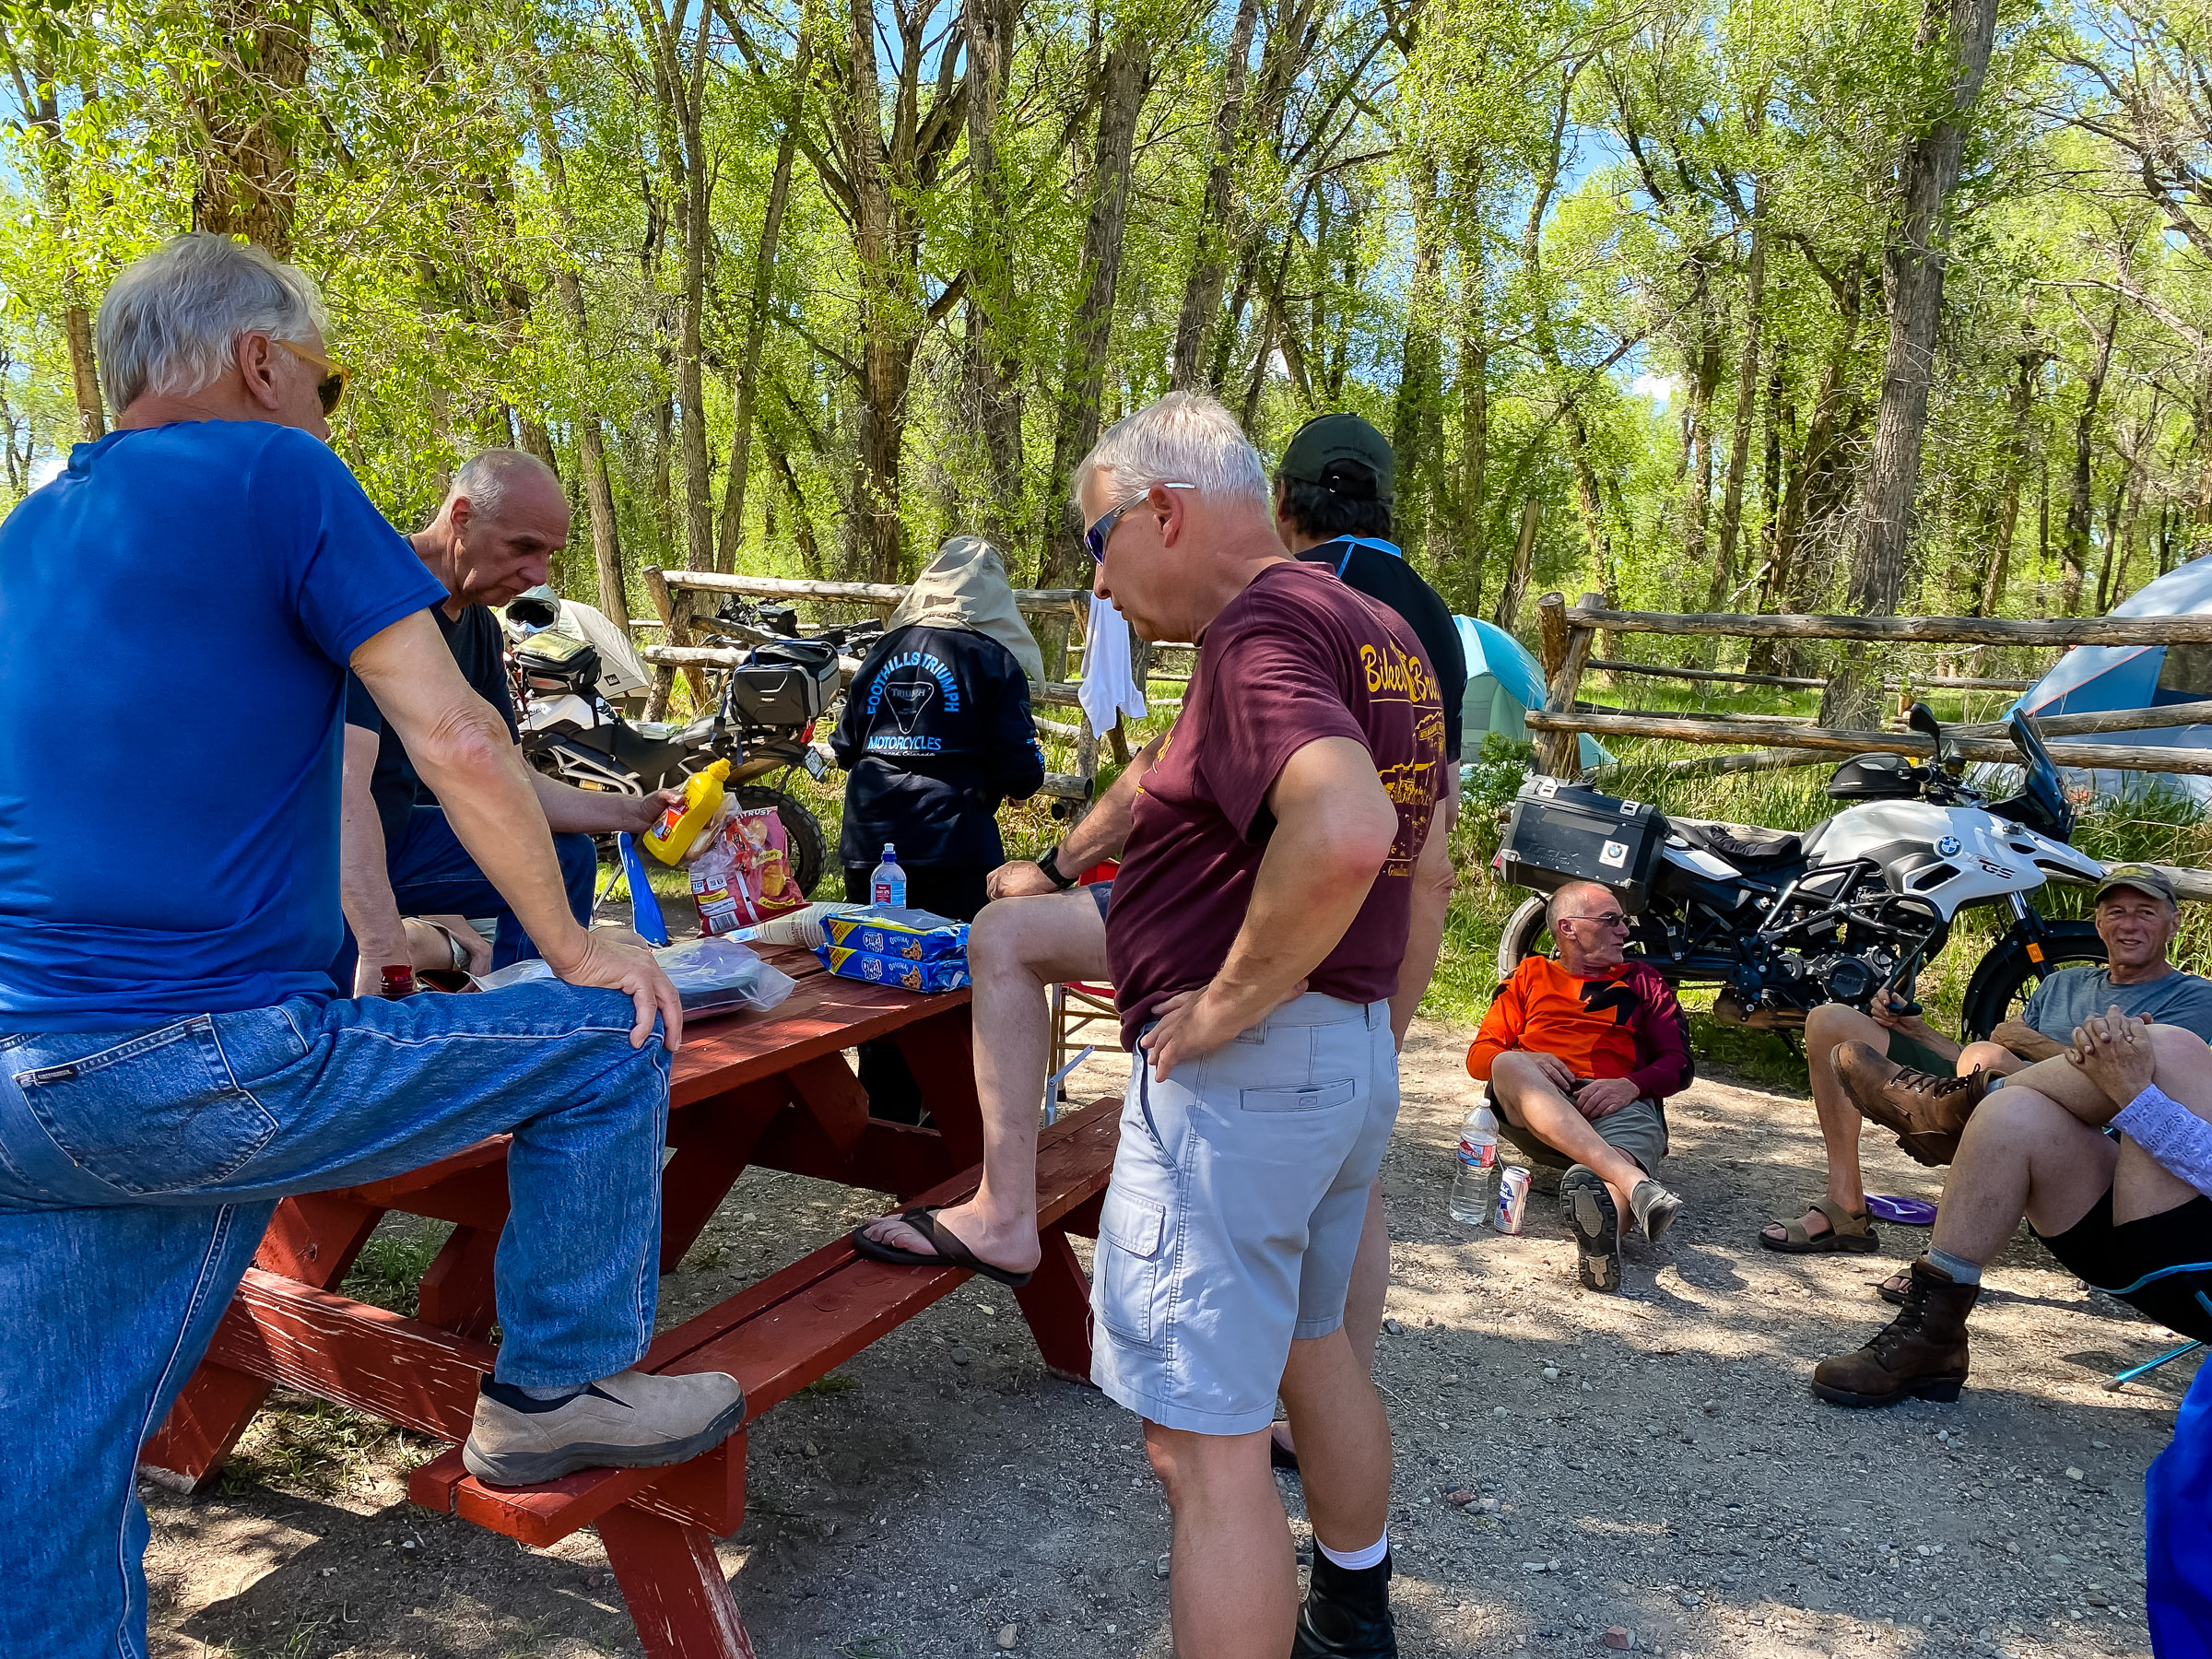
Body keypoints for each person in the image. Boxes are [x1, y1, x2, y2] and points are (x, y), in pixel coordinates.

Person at [0, 233, 737, 1659]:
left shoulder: (28, 534)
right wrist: (580, 946)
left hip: (26, 1082)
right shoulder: (277, 471)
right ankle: (554, 1394)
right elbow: (452, 739)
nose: (327, 411)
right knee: (605, 1035)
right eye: (324, 379)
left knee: (42, 1485)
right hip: (194, 1063)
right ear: (261, 361)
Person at [852, 412, 1465, 1484]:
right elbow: (1421, 841)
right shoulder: (1393, 625)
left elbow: (1350, 828)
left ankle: (1004, 1211)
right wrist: (1053, 872)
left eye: (1099, 544)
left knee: (1199, 1449)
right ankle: (1356, 1608)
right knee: (1318, 1354)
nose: (1097, 587)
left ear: (1165, 513)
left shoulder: (1261, 631)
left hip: (1256, 1042)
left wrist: (1227, 1002)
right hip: (1349, 1025)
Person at [336, 450, 680, 994]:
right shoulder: (372, 589)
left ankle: (523, 1012)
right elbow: (341, 785)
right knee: (343, 1004)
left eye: (549, 555)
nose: (537, 575)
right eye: (523, 547)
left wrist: (631, 811)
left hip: (399, 839)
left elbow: (507, 782)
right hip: (319, 858)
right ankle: (437, 959)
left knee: (563, 853)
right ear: (462, 517)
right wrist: (384, 946)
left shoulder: (479, 629)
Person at [1761, 862, 2212, 1257]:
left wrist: (2027, 1044)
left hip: (2090, 1139)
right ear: (2098, 924)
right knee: (1830, 1020)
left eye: (2146, 913)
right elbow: (1986, 1060)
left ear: (2173, 925)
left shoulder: (2195, 998)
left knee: (1988, 1053)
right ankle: (1845, 1205)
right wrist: (1916, 1031)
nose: (2129, 924)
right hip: (1994, 1089)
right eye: (2117, 912)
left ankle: (1945, 1249)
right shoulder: (2063, 984)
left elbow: (2134, 1080)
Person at [1811, 1006, 2212, 1408]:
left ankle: (1954, 1110)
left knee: (2170, 1049)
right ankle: (1932, 1335)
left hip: (2187, 1259)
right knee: (2014, 1113)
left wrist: (2135, 1093)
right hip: (2152, 1240)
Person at [829, 535, 1046, 1120]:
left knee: (879, 974)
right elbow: (1022, 771)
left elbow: (844, 745)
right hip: (953, 841)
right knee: (956, 979)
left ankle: (886, 1115)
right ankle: (951, 1117)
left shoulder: (881, 651)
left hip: (871, 838)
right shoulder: (995, 658)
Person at [1466, 880, 1691, 1292]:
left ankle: (1605, 1239)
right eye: (1612, 921)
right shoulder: (1529, 976)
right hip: (1535, 1105)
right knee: (1508, 1060)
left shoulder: (1643, 980)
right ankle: (1634, 1182)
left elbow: (1679, 1065)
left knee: (1611, 1180)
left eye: (1623, 922)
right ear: (1568, 928)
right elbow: (1480, 1057)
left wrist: (1630, 1085)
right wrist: (1528, 1058)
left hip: (1615, 1105)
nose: (1625, 931)